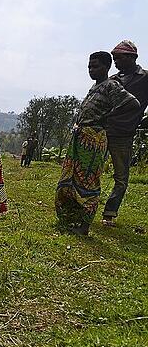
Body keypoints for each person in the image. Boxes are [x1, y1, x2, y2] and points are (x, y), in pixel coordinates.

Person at [55, 51, 141, 235]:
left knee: (88, 181)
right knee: (70, 178)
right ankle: (71, 218)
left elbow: (133, 104)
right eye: (89, 67)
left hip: (94, 138)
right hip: (81, 136)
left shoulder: (111, 85)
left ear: (107, 67)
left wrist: (108, 117)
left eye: (96, 66)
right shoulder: (95, 87)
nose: (91, 70)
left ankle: (84, 226)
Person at [102, 40, 148, 226]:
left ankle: (109, 213)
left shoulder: (145, 78)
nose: (115, 62)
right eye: (113, 59)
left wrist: (142, 120)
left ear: (131, 57)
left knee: (121, 178)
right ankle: (86, 206)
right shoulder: (113, 80)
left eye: (118, 58)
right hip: (103, 131)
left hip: (124, 134)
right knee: (91, 170)